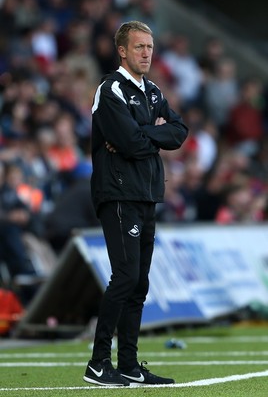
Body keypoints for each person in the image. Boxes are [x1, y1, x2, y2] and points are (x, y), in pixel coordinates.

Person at [83, 20, 188, 387]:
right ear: (123, 51)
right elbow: (128, 143)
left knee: (139, 282)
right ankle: (98, 363)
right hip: (118, 193)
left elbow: (179, 131)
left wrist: (145, 133)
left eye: (150, 47)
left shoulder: (154, 91)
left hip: (146, 193)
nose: (146, 53)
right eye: (139, 47)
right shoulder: (110, 88)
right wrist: (151, 135)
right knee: (125, 276)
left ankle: (127, 364)